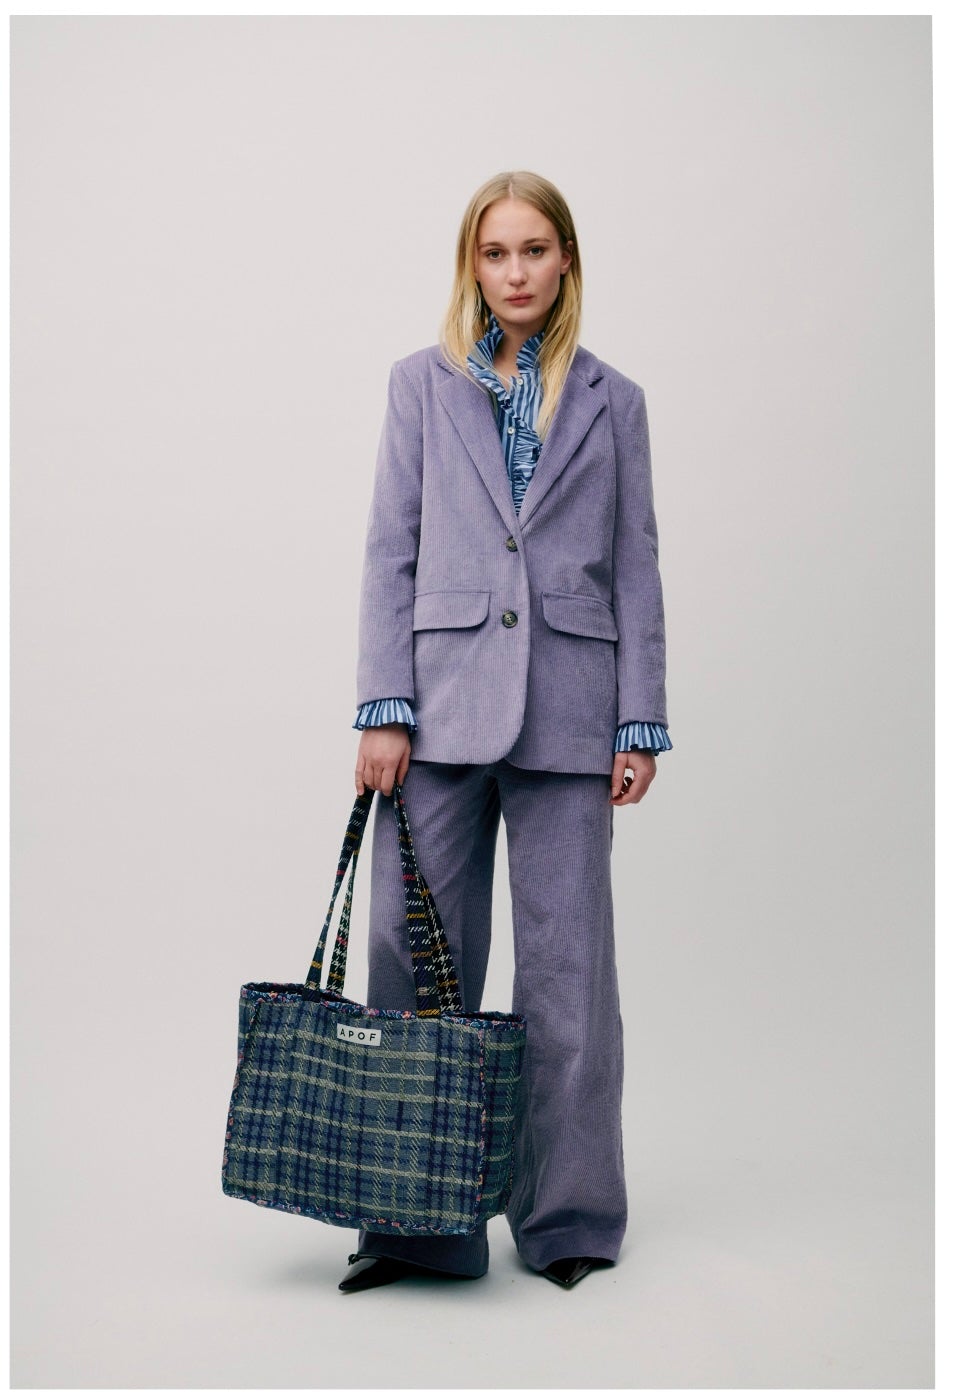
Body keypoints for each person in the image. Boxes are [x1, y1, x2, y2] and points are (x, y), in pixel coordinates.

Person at [341, 170, 670, 1293]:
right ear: (470, 265)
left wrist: (641, 719)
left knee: (568, 976)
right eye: (496, 254)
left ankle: (568, 1215)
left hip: (574, 712)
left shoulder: (613, 401)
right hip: (436, 707)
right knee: (412, 961)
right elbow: (391, 548)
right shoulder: (419, 387)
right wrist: (384, 708)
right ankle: (414, 1223)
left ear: (566, 260)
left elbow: (635, 565)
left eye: (535, 251)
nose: (516, 272)